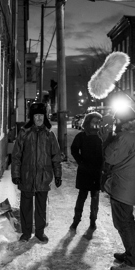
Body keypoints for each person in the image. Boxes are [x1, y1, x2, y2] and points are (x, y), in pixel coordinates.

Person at [98, 105, 135, 270]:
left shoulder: (126, 137)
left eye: (116, 120)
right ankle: (131, 255)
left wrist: (106, 139)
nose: (115, 123)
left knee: (124, 223)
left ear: (122, 121)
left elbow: (110, 157)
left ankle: (133, 262)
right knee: (126, 222)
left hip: (123, 186)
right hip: (129, 185)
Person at [11, 102, 63, 243]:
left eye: (41, 116)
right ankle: (26, 233)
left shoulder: (49, 135)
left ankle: (40, 232)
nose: (39, 118)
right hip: (27, 176)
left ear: (44, 117)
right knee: (26, 207)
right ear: (32, 118)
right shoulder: (24, 133)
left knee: (41, 207)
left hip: (43, 176)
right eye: (36, 116)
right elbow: (16, 155)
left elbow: (56, 157)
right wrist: (16, 174)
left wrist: (58, 174)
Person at [69, 112, 103, 231]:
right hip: (84, 171)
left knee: (95, 198)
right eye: (94, 121)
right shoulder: (82, 136)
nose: (96, 124)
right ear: (88, 122)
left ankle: (93, 221)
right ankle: (76, 221)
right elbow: (74, 149)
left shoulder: (102, 136)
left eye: (99, 122)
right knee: (81, 197)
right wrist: (81, 162)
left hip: (97, 171)